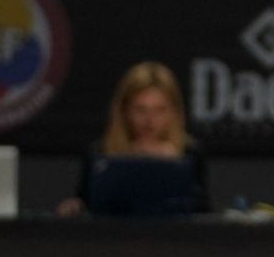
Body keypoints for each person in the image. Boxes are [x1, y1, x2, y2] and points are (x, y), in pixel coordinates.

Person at [57, 62, 209, 217]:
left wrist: (172, 165)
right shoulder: (101, 153)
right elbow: (86, 204)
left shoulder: (189, 152)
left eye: (160, 110)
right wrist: (74, 206)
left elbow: (203, 215)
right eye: (140, 110)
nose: (150, 120)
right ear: (125, 111)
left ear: (174, 112)